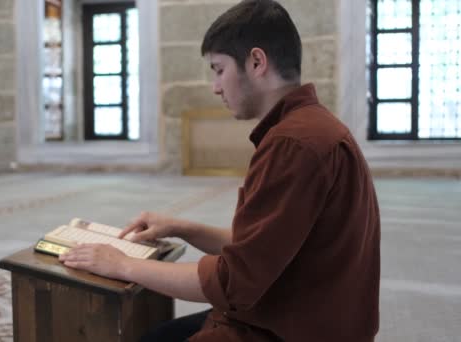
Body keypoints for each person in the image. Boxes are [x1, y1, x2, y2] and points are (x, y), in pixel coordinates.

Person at [59, 0, 381, 341]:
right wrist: (181, 227)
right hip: (296, 308)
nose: (215, 86)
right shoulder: (308, 128)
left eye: (218, 69)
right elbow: (259, 249)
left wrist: (120, 264)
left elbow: (234, 281)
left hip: (291, 326)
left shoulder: (294, 144)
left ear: (256, 62)